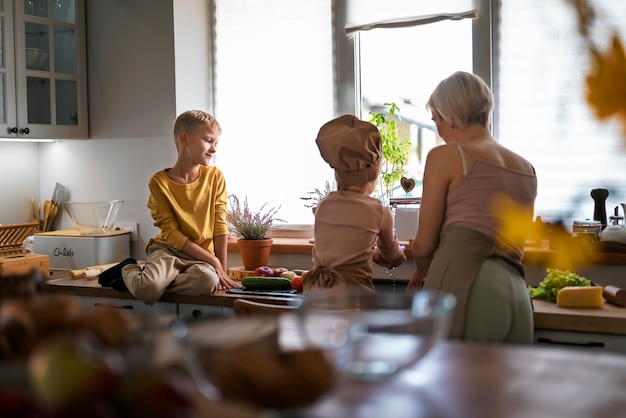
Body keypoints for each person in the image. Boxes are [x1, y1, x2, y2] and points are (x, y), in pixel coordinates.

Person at [406, 71, 538, 343]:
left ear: (449, 116)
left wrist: (419, 264)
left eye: (436, 120)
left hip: (470, 287)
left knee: (458, 384)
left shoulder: (447, 156)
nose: (438, 130)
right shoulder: (526, 168)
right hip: (516, 292)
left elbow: (424, 245)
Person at [98, 110, 240, 305]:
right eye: (208, 141)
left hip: (201, 256)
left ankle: (151, 282)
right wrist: (214, 262)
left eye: (216, 143)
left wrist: (220, 270)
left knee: (207, 281)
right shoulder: (159, 183)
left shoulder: (215, 177)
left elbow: (219, 227)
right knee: (148, 290)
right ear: (184, 139)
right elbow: (172, 235)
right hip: (168, 250)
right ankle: (128, 270)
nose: (214, 149)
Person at [303, 115, 407, 293]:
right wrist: (398, 255)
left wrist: (369, 252)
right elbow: (391, 256)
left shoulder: (323, 205)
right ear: (373, 174)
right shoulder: (379, 211)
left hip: (316, 293)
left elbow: (340, 247)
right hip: (352, 296)